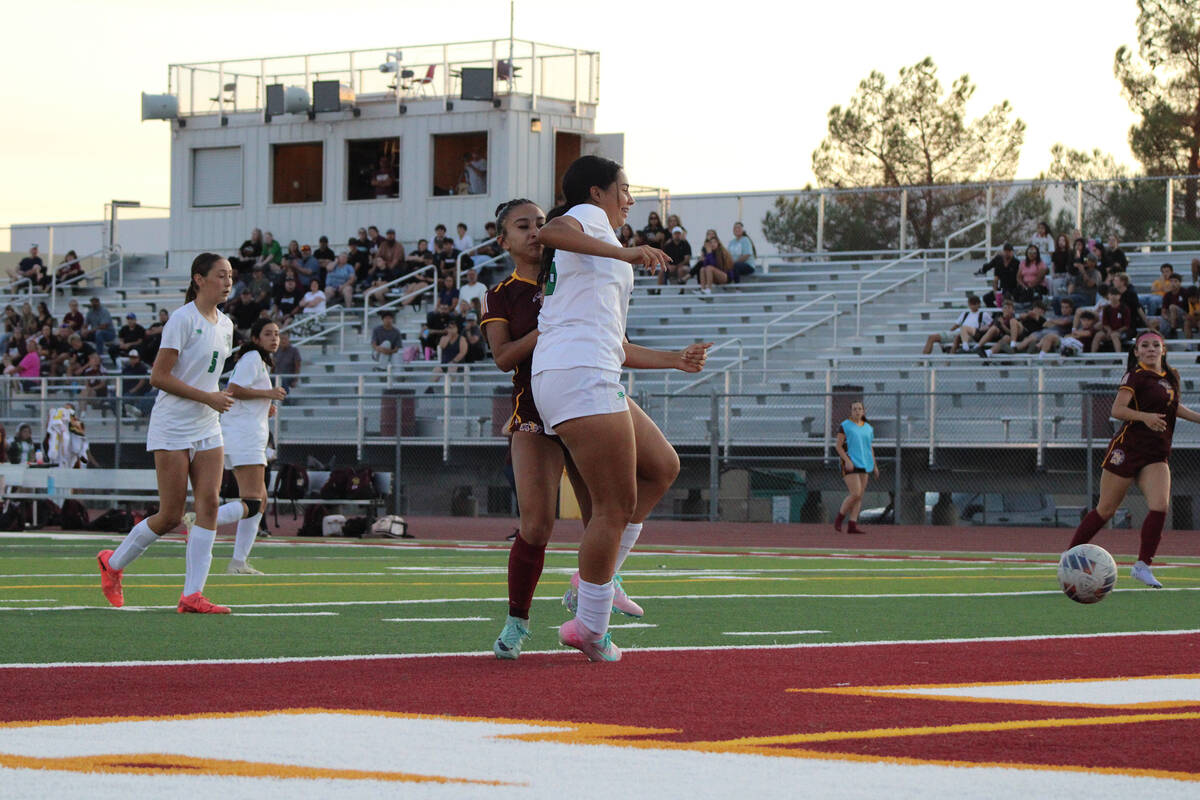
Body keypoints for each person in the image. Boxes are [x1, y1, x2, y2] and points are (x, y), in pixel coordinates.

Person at [484, 197, 709, 659]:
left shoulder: (572, 269)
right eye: (522, 226)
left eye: (540, 224)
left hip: (583, 396)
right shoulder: (501, 292)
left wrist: (673, 359)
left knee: (607, 510)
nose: (534, 232)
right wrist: (550, 329)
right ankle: (517, 621)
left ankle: (592, 600)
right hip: (536, 408)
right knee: (537, 524)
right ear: (503, 240)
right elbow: (504, 357)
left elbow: (615, 344)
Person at [532, 155, 695, 662]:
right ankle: (591, 624)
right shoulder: (587, 219)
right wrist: (625, 253)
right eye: (624, 189)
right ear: (598, 192)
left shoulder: (605, 245)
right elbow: (551, 233)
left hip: (592, 369)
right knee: (613, 506)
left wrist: (676, 360)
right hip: (578, 374)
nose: (630, 199)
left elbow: (617, 344)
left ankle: (594, 580)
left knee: (662, 467)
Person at [96, 253, 237, 614]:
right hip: (172, 425)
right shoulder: (182, 319)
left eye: (230, 275)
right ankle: (112, 565)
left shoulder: (226, 324)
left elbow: (208, 374)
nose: (228, 281)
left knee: (210, 504)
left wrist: (223, 398)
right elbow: (159, 378)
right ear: (198, 279)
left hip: (207, 425)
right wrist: (208, 396)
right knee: (171, 515)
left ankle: (193, 595)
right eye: (220, 275)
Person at [1066, 332, 1200, 588]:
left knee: (1160, 506)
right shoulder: (1135, 376)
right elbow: (1117, 410)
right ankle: (1070, 554)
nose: (1151, 349)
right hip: (1127, 450)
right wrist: (1145, 417)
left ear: (1164, 350)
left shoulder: (1171, 377)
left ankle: (1142, 566)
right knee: (1106, 510)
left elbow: (1175, 408)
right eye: (1145, 346)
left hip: (1156, 453)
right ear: (1137, 352)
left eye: (1155, 345)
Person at [190, 317, 287, 575]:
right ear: (256, 339)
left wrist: (265, 406)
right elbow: (233, 389)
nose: (274, 338)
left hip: (244, 434)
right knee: (254, 501)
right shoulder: (254, 358)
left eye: (276, 334)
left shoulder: (257, 361)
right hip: (244, 437)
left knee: (260, 499)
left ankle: (238, 561)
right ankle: (202, 520)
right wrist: (269, 394)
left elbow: (243, 395)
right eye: (268, 334)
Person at [833, 401, 878, 534]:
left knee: (860, 496)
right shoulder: (845, 426)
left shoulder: (868, 428)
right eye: (854, 409)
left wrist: (874, 465)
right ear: (851, 411)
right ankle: (839, 517)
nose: (857, 411)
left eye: (859, 409)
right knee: (855, 493)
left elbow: (869, 447)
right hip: (850, 462)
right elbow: (838, 446)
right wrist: (847, 461)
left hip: (864, 462)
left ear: (863, 411)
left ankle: (852, 524)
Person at [921, 295, 991, 354]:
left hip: (970, 335)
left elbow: (991, 324)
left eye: (974, 303)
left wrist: (983, 328)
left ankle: (948, 362)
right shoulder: (966, 313)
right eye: (970, 303)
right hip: (958, 332)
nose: (971, 306)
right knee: (932, 337)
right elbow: (956, 325)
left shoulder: (983, 314)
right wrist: (948, 333)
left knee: (958, 337)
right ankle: (923, 360)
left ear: (978, 304)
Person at [695, 230, 734, 295]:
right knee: (702, 269)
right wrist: (707, 255)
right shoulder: (709, 252)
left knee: (709, 268)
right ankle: (702, 289)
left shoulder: (722, 252)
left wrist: (709, 253)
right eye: (711, 243)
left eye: (714, 242)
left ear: (718, 243)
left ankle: (708, 290)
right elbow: (705, 265)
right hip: (715, 277)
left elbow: (716, 266)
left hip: (725, 277)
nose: (712, 244)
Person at [120, 349, 154, 417]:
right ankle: (123, 415)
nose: (132, 359)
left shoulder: (142, 368)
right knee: (115, 397)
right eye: (131, 357)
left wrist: (133, 390)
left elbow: (142, 380)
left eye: (134, 357)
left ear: (138, 358)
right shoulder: (127, 368)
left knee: (127, 398)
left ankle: (132, 414)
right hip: (126, 390)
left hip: (137, 392)